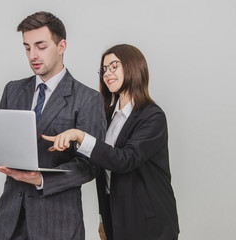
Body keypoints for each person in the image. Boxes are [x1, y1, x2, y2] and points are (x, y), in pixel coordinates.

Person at [42, 44, 180, 240]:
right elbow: (104, 173)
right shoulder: (106, 117)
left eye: (114, 66)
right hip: (116, 217)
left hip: (150, 221)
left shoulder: (152, 116)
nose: (107, 74)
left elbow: (125, 160)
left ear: (133, 66)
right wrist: (103, 218)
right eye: (104, 69)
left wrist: (80, 136)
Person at [0, 11, 106, 240]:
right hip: (10, 221)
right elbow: (5, 144)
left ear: (61, 46)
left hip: (57, 222)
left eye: (41, 46)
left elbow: (92, 166)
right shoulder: (12, 91)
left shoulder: (87, 98)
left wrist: (42, 179)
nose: (32, 55)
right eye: (27, 47)